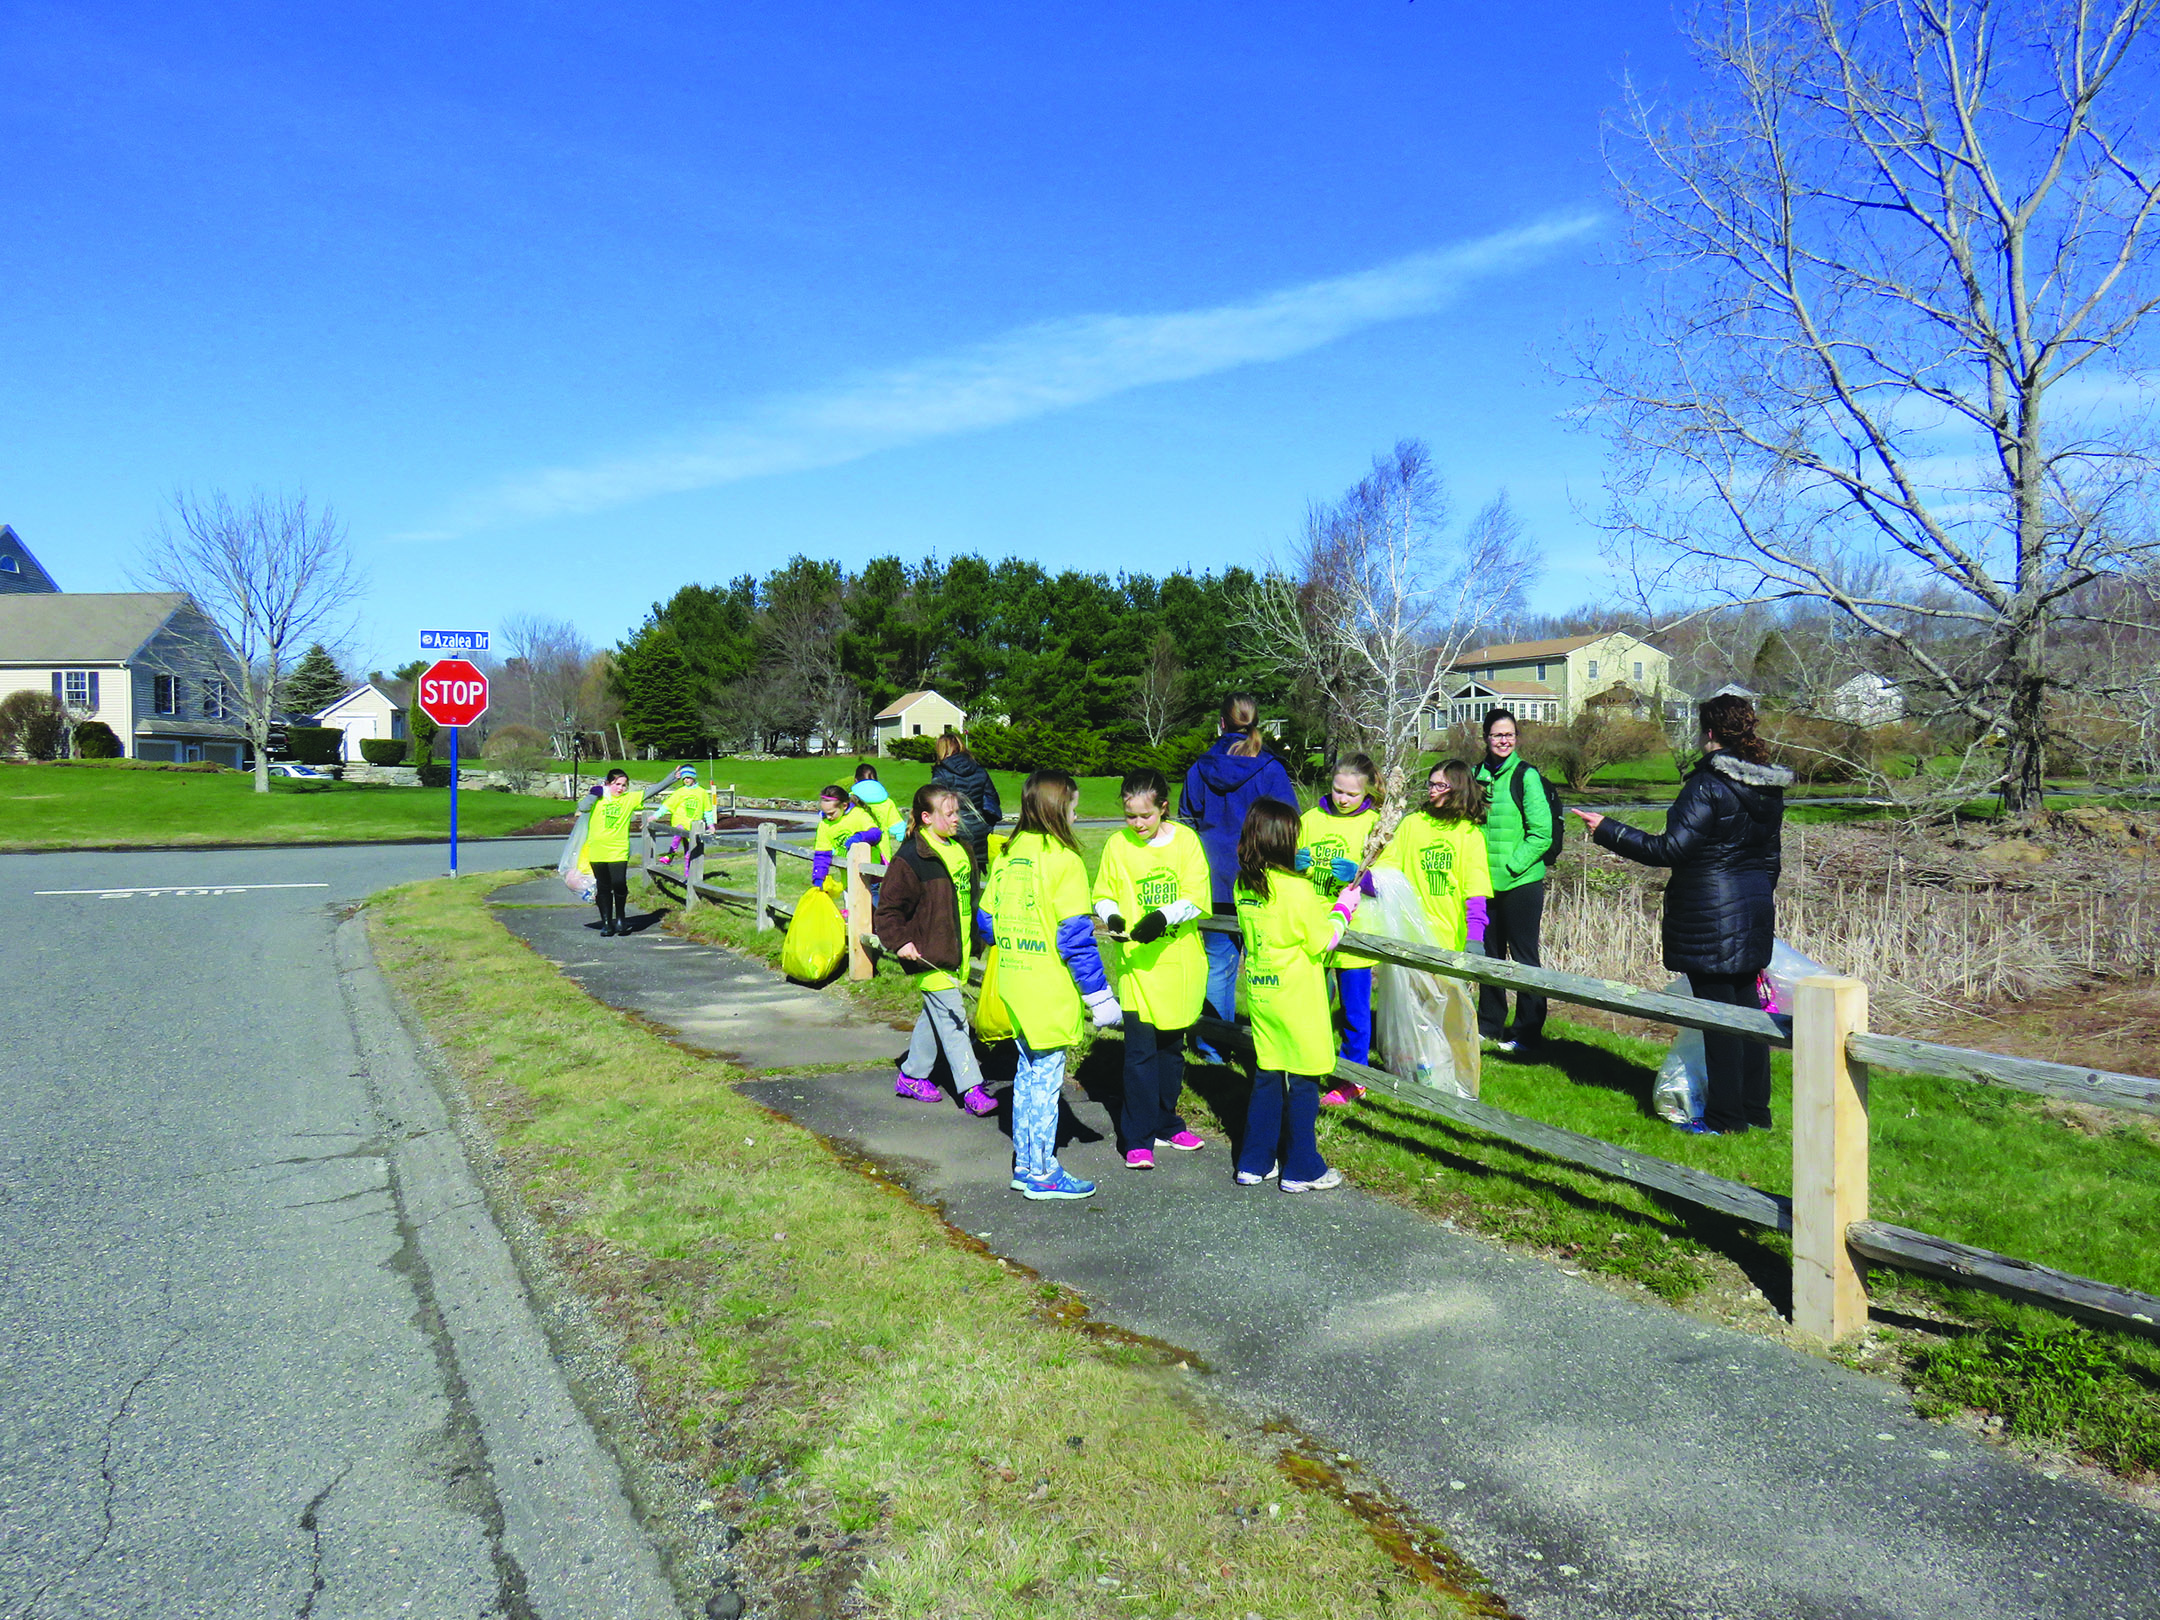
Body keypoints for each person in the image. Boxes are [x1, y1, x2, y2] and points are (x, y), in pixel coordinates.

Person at [1574, 695, 1792, 1136]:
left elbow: (1668, 850)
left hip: (1710, 914)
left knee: (1719, 1018)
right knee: (1748, 1011)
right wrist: (1756, 903)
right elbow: (1772, 859)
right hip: (1751, 910)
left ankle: (1725, 1118)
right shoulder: (1767, 787)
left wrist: (1607, 829)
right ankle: (1755, 1110)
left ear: (1708, 732)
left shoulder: (1706, 784)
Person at [984, 771, 1120, 1200]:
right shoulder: (1064, 861)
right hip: (1047, 990)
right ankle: (1043, 1172)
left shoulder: (1008, 855)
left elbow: (987, 922)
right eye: (1074, 807)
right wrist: (1100, 997)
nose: (1078, 814)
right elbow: (1076, 939)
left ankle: (1026, 1164)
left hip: (1014, 981)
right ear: (1058, 808)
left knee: (1027, 1076)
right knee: (1044, 1082)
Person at [1232, 798, 1365, 1193]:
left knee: (1268, 1073)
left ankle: (1255, 1161)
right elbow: (1322, 940)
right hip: (1297, 995)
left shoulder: (1245, 884)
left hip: (1262, 992)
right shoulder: (1297, 890)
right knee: (1305, 1077)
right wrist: (1343, 906)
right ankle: (1302, 1166)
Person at [1092, 767, 1212, 1168]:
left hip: (1178, 964)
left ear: (1163, 808)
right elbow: (1104, 894)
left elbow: (1197, 897)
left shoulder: (1187, 843)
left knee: (1171, 1050)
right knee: (1140, 1053)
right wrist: (1113, 917)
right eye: (1130, 816)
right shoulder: (1117, 845)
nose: (1137, 824)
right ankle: (1137, 1136)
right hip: (1138, 969)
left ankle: (1165, 1121)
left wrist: (1163, 916)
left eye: (1145, 815)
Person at [1179, 694, 1298, 1053]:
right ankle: (1269, 1046)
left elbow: (1187, 822)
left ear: (1221, 723)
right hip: (1260, 878)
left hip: (1212, 878)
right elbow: (1289, 825)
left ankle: (1213, 1047)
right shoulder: (1269, 769)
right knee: (1268, 967)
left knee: (1218, 965)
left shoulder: (1200, 768)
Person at [873, 784, 999, 1115]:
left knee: (936, 1016)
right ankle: (972, 1088)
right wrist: (900, 942)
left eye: (957, 811)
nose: (957, 818)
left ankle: (912, 1075)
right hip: (929, 953)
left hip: (958, 952)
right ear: (926, 818)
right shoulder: (910, 858)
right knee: (955, 1020)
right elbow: (887, 910)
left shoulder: (962, 849)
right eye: (949, 813)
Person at [1296, 754, 1381, 1105]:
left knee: (1354, 1010)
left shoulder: (1377, 824)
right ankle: (1308, 1064)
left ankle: (1352, 1076)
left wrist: (1363, 878)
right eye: (1337, 791)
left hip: (1355, 930)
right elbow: (1289, 861)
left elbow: (1391, 881)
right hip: (1314, 926)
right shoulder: (1309, 819)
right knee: (1311, 1003)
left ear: (1366, 793)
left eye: (1351, 794)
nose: (1342, 799)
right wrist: (1293, 864)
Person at [1473, 710, 1554, 1055]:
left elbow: (1542, 834)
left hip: (1521, 884)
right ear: (1486, 738)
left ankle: (1527, 1032)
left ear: (1516, 738)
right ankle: (1489, 1025)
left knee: (1524, 959)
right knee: (1489, 958)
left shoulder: (1527, 776)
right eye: (1496, 735)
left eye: (1509, 735)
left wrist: (1511, 866)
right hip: (1483, 883)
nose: (1503, 741)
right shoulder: (1475, 776)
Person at [1378, 760, 1493, 952]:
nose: (1433, 790)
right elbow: (1387, 870)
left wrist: (1475, 937)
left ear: (1458, 789)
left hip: (1449, 941)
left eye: (1441, 785)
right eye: (1431, 784)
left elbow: (1475, 890)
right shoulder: (1412, 824)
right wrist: (1361, 879)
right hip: (1410, 936)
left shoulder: (1469, 834)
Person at [930, 731, 1002, 877]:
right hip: (980, 827)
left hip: (955, 827)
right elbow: (992, 800)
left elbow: (936, 803)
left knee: (955, 877)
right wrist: (987, 824)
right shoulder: (979, 770)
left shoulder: (941, 773)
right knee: (975, 878)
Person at [583, 768, 639, 936]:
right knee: (603, 886)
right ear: (607, 784)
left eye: (624, 785)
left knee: (619, 882)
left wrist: (674, 777)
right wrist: (595, 793)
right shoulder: (598, 799)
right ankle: (607, 923)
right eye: (617, 784)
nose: (621, 788)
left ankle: (621, 919)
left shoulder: (628, 799)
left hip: (618, 850)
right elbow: (582, 807)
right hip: (597, 850)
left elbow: (652, 791)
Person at [809, 783, 885, 902]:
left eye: (831, 813)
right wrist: (819, 876)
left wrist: (860, 837)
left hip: (869, 873)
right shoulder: (824, 825)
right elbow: (822, 854)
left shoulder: (859, 815)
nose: (828, 817)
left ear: (844, 806)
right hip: (848, 876)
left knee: (872, 910)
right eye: (824, 813)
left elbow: (876, 833)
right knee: (853, 912)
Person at [657, 767, 718, 865]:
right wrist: (655, 816)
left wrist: (711, 826)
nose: (686, 780)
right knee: (678, 833)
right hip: (680, 822)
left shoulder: (702, 793)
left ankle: (688, 876)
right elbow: (667, 805)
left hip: (693, 826)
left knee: (688, 852)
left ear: (693, 778)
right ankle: (670, 854)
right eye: (684, 778)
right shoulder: (680, 791)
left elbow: (707, 811)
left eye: (688, 777)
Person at [852, 763, 906, 841]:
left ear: (855, 780)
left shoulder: (849, 800)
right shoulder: (887, 802)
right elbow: (900, 830)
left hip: (856, 848)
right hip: (882, 851)